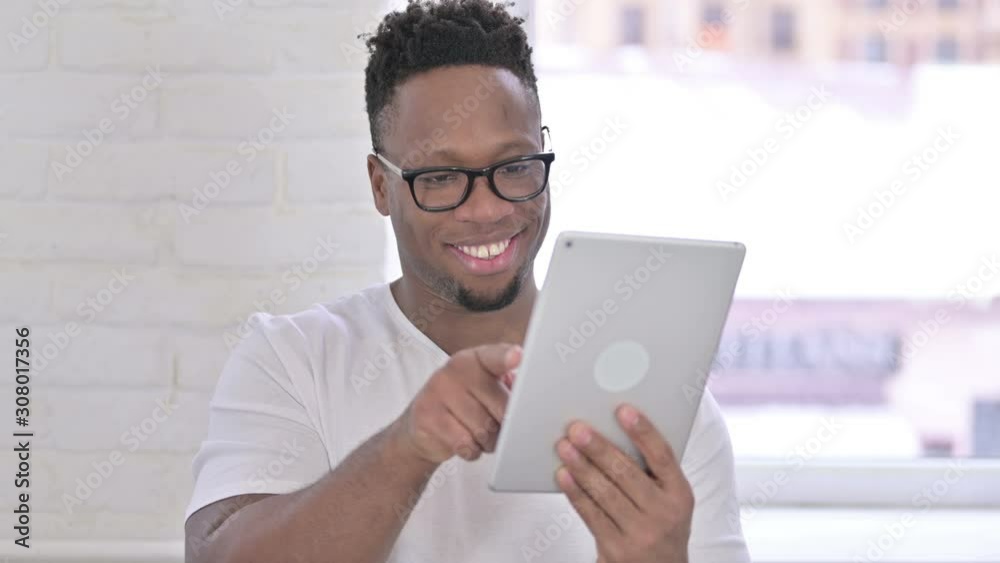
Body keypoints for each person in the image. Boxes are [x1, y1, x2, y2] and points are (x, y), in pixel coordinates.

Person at [184, 1, 751, 561]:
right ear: (381, 186)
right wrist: (405, 448)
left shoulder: (660, 404)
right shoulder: (293, 359)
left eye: (514, 167)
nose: (486, 210)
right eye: (440, 177)